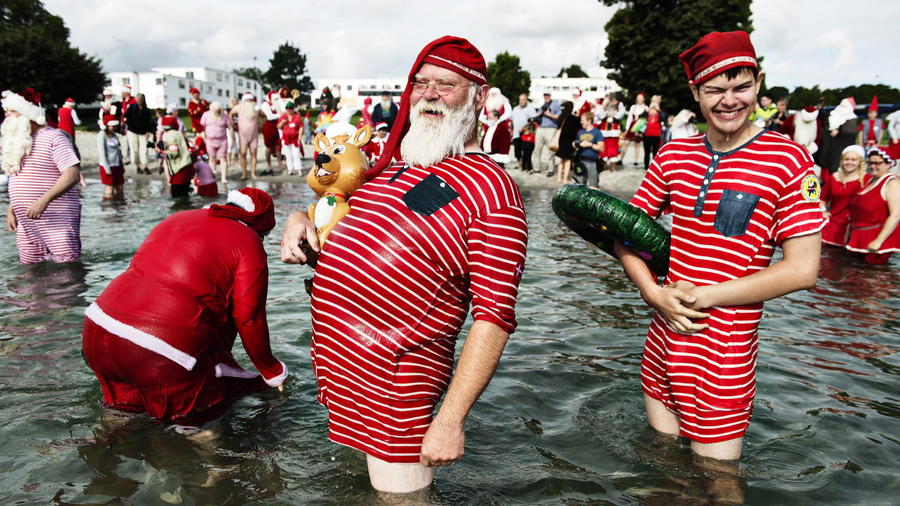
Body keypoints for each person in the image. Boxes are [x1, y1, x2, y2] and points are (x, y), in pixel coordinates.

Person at [280, 35, 528, 494]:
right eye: (421, 83)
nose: (430, 95)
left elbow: (494, 318)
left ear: (478, 97)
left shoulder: (494, 191)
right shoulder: (396, 165)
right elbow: (338, 215)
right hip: (345, 367)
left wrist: (450, 420)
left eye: (446, 85)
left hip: (398, 382)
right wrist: (298, 219)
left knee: (402, 500)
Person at [615, 32, 824, 492]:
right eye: (714, 89)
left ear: (758, 82)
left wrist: (703, 296)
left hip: (724, 352)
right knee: (664, 467)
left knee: (719, 481)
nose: (729, 101)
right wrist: (652, 292)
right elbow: (624, 233)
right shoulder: (673, 153)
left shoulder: (789, 159)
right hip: (663, 337)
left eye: (741, 86)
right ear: (695, 92)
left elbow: (802, 269)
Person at [81, 188, 288, 426]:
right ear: (260, 228)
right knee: (199, 428)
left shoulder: (179, 217)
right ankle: (218, 464)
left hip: (98, 326)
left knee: (119, 420)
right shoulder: (248, 241)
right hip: (159, 348)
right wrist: (271, 370)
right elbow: (249, 317)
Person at [3, 88, 82, 264]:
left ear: (27, 114)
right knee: (30, 268)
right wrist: (12, 208)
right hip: (26, 220)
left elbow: (72, 174)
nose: (7, 116)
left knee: (66, 268)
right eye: (6, 112)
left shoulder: (54, 137)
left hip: (57, 217)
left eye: (12, 111)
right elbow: (19, 177)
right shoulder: (19, 142)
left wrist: (43, 201)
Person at [845, 147, 900, 264]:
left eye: (877, 163)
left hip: (875, 241)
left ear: (888, 164)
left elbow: (896, 215)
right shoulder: (870, 181)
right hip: (859, 236)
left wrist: (878, 241)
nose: (872, 166)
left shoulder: (892, 183)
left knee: (873, 277)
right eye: (870, 163)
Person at [820, 145, 870, 247]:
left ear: (860, 161)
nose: (849, 162)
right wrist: (823, 211)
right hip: (833, 225)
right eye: (846, 159)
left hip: (854, 227)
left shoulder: (867, 180)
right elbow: (822, 198)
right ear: (842, 161)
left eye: (853, 160)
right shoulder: (833, 177)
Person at [159, 116, 194, 198]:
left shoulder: (170, 136)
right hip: (187, 167)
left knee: (176, 196)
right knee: (185, 195)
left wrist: (161, 151)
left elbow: (174, 153)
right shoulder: (179, 133)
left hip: (179, 170)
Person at [822, 97, 859, 173]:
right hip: (834, 148)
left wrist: (838, 130)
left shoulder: (850, 117)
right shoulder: (834, 115)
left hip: (842, 148)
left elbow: (850, 132)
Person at [123, 93, 153, 175]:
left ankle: (145, 166)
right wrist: (125, 121)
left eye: (140, 100)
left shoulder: (147, 110)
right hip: (132, 131)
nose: (138, 101)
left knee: (144, 150)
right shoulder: (132, 108)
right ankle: (138, 166)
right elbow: (125, 116)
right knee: (134, 149)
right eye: (137, 100)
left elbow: (148, 122)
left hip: (143, 132)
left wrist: (148, 131)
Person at [97, 114, 125, 200]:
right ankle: (109, 208)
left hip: (117, 164)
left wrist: (121, 164)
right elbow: (102, 153)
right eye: (112, 126)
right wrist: (106, 168)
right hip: (108, 165)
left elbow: (118, 150)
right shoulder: (102, 135)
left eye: (115, 126)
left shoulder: (114, 134)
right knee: (110, 188)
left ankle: (120, 207)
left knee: (120, 187)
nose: (114, 128)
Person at [200, 101, 230, 183]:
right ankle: (212, 177)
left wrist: (232, 139)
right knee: (212, 158)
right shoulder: (206, 114)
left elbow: (230, 127)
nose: (217, 112)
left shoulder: (224, 115)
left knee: (222, 158)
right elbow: (201, 127)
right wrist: (203, 138)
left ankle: (224, 178)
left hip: (222, 140)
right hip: (210, 141)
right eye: (215, 111)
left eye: (218, 111)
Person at [533, 92, 561, 176]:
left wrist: (549, 114)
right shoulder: (543, 105)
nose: (546, 97)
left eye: (547, 95)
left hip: (551, 128)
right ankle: (536, 168)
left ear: (550, 96)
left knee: (550, 150)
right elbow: (537, 116)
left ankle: (550, 169)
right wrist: (538, 115)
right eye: (545, 95)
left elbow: (559, 117)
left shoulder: (555, 104)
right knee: (537, 150)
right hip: (541, 128)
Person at [235, 93, 261, 180]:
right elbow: (230, 113)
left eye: (250, 100)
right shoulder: (239, 107)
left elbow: (264, 115)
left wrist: (260, 125)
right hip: (243, 136)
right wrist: (232, 124)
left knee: (253, 154)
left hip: (253, 135)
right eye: (247, 100)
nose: (249, 102)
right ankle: (244, 174)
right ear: (244, 101)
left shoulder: (256, 108)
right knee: (243, 154)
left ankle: (253, 173)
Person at [574, 111, 603, 187]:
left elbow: (601, 148)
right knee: (579, 185)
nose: (581, 122)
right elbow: (573, 144)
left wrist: (589, 144)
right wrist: (578, 144)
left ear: (589, 121)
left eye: (582, 120)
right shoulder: (580, 132)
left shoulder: (597, 132)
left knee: (593, 186)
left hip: (592, 162)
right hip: (580, 161)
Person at [510, 93, 537, 171]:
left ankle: (526, 165)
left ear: (526, 100)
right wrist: (512, 131)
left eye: (523, 99)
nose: (521, 101)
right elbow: (512, 120)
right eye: (520, 99)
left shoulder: (530, 108)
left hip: (525, 133)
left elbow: (533, 121)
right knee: (517, 149)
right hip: (516, 133)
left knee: (526, 150)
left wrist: (525, 128)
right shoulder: (515, 108)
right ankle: (518, 162)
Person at [554, 101, 579, 183]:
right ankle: (565, 179)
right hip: (569, 141)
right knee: (568, 160)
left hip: (561, 140)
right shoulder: (573, 118)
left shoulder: (561, 117)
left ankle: (558, 177)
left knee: (561, 160)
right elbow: (577, 128)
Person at [277, 101, 303, 176]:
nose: (289, 110)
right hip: (286, 139)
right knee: (288, 155)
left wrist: (300, 135)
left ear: (293, 109)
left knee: (296, 154)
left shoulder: (297, 117)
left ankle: (299, 169)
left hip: (295, 138)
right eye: (287, 109)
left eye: (290, 108)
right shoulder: (283, 116)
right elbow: (278, 126)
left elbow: (301, 126)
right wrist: (282, 122)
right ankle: (290, 169)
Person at [622, 92, 648, 165]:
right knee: (626, 143)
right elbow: (629, 118)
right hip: (632, 125)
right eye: (638, 98)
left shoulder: (645, 108)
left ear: (643, 99)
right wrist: (627, 128)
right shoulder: (633, 107)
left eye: (640, 98)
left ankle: (636, 160)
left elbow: (645, 120)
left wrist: (642, 130)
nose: (639, 99)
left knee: (637, 144)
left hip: (639, 126)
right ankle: (621, 159)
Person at [260, 91, 281, 175]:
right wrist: (280, 115)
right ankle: (268, 165)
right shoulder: (265, 104)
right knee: (269, 147)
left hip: (276, 127)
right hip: (268, 127)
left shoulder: (276, 105)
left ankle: (280, 163)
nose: (276, 100)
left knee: (278, 146)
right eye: (275, 98)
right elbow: (269, 116)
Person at [642, 102, 663, 169]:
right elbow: (641, 117)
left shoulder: (659, 113)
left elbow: (663, 118)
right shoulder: (647, 113)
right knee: (647, 152)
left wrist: (659, 110)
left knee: (655, 152)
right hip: (647, 135)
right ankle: (646, 166)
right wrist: (647, 110)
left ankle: (654, 167)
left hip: (656, 135)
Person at [226, 96, 240, 172]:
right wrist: (230, 127)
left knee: (237, 145)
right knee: (230, 144)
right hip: (229, 129)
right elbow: (227, 119)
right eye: (233, 100)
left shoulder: (240, 109)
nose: (235, 102)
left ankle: (236, 161)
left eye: (236, 100)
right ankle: (228, 161)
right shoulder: (228, 110)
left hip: (238, 129)